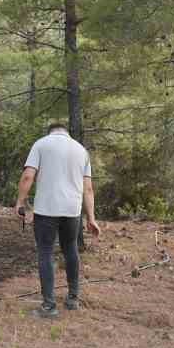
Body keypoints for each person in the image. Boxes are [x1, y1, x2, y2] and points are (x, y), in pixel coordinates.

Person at [14, 121, 101, 318]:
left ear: (50, 131)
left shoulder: (41, 144)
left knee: (45, 251)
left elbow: (28, 176)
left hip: (47, 208)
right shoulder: (81, 150)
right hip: (72, 210)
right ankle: (73, 298)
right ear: (66, 133)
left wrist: (20, 202)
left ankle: (49, 305)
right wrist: (92, 218)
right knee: (70, 249)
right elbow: (88, 188)